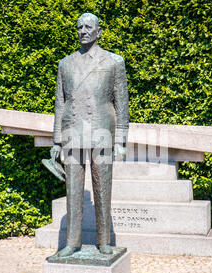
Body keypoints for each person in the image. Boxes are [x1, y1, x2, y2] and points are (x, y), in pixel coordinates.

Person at [50, 13, 129, 257]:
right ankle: (72, 243)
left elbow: (121, 102)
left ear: (98, 31)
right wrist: (56, 140)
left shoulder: (114, 61)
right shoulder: (66, 63)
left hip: (102, 132)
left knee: (102, 189)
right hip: (73, 133)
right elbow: (60, 103)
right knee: (73, 191)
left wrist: (121, 140)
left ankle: (104, 241)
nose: (83, 30)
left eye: (88, 27)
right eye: (79, 27)